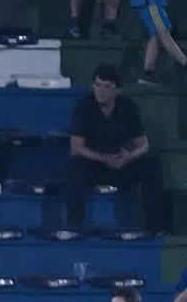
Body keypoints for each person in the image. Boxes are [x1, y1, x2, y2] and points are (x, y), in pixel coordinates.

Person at [67, 64, 166, 233]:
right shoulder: (83, 106)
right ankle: (74, 226)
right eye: (97, 85)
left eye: (107, 87)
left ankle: (154, 228)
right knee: (74, 165)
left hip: (121, 164)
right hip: (95, 164)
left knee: (152, 165)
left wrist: (129, 157)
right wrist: (102, 157)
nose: (101, 91)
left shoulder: (128, 107)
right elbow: (76, 148)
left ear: (116, 90)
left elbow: (144, 144)